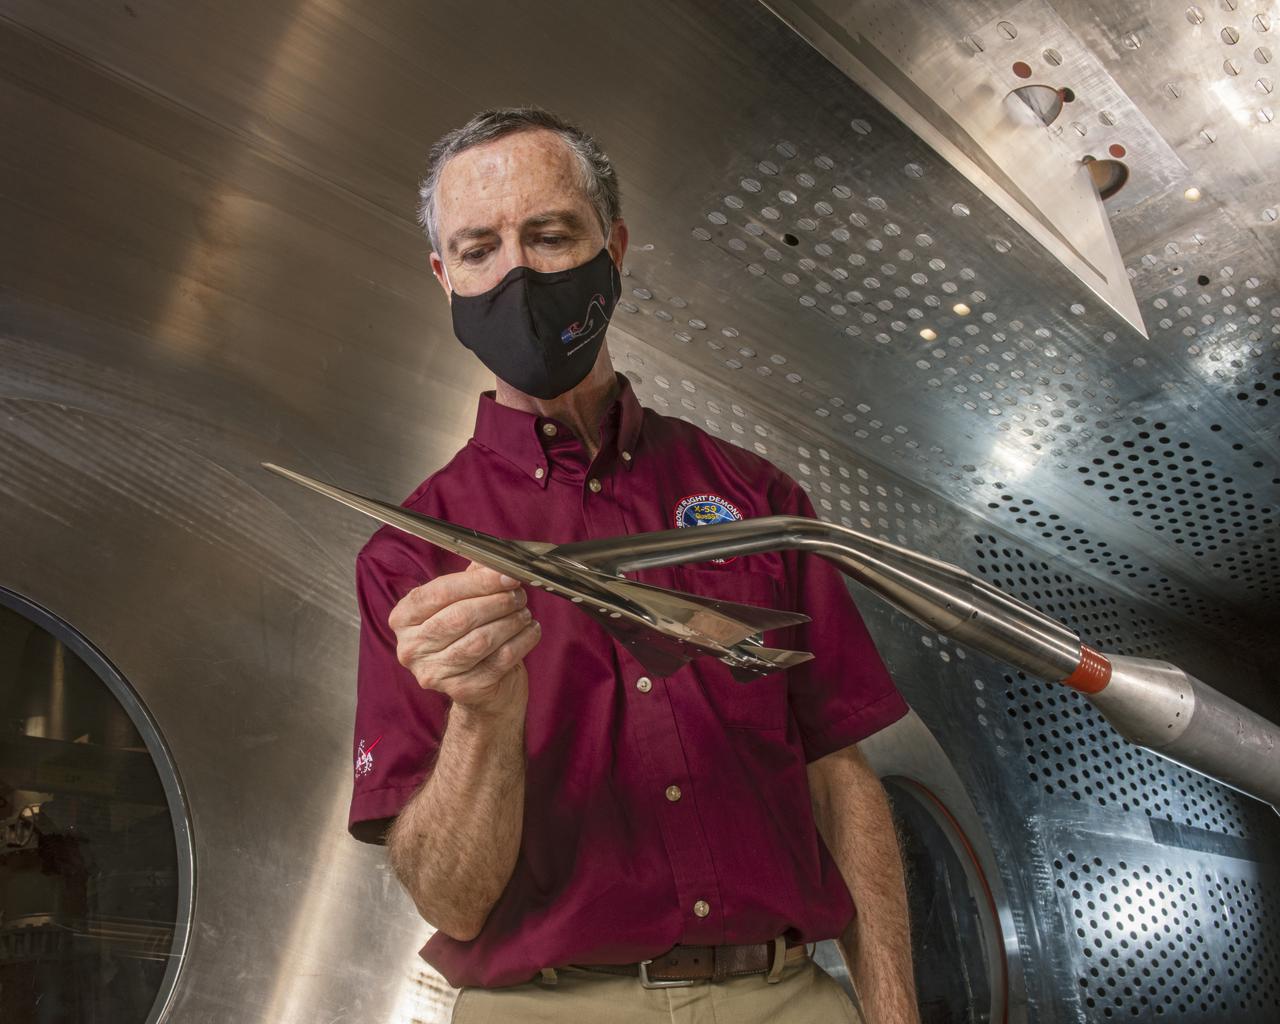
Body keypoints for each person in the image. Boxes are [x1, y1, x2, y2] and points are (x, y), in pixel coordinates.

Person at [349, 107, 919, 1024]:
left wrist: (894, 1015)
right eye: (479, 248)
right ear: (443, 275)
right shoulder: (408, 556)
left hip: (785, 996)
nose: (518, 273)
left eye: (550, 235)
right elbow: (450, 901)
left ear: (613, 248)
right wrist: (483, 719)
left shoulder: (755, 497)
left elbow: (838, 774)